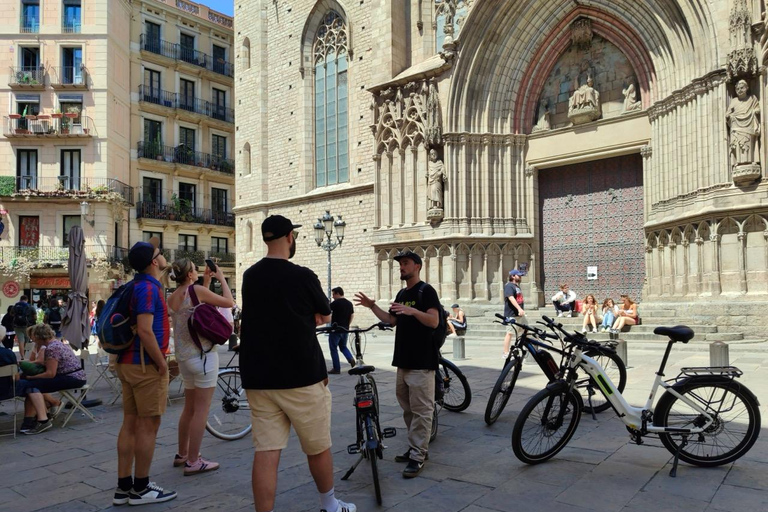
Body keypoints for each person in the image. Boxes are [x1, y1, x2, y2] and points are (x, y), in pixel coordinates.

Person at [239, 215, 356, 512]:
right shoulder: (303, 276)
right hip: (301, 374)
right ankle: (330, 505)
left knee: (266, 451)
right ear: (290, 237)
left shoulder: (250, 276)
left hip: (259, 375)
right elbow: (325, 315)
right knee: (317, 447)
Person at [355, 250, 440, 479]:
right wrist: (372, 305)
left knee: (422, 411)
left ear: (417, 266)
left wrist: (413, 311)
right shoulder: (402, 292)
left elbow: (434, 321)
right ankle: (417, 448)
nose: (401, 267)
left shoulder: (426, 291)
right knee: (409, 410)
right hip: (403, 361)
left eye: (405, 263)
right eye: (400, 264)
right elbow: (391, 320)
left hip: (422, 362)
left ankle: (418, 456)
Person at [113, 238, 177, 506]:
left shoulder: (134, 285)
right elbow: (144, 329)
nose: (163, 256)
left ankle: (123, 487)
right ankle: (141, 487)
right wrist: (161, 364)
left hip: (127, 362)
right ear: (154, 262)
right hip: (144, 365)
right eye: (160, 254)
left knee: (129, 423)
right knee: (148, 426)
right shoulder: (149, 289)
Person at [167, 257, 234, 475]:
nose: (197, 271)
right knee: (201, 411)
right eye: (195, 270)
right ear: (189, 275)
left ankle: (182, 453)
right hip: (203, 357)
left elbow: (196, 309)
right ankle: (194, 461)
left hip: (184, 358)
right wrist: (221, 277)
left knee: (189, 408)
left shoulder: (173, 297)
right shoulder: (195, 290)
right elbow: (229, 302)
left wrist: (205, 282)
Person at [16, 323, 86, 434]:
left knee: (31, 384)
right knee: (30, 384)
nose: (32, 339)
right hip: (73, 375)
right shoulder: (56, 343)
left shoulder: (52, 348)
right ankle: (33, 420)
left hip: (72, 378)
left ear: (39, 337)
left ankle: (42, 420)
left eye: (33, 337)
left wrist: (32, 376)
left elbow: (50, 374)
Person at [328, 286, 355, 374]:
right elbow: (351, 315)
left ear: (337, 293)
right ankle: (350, 358)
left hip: (335, 330)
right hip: (345, 329)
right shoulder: (349, 303)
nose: (333, 296)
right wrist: (347, 325)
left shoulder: (335, 303)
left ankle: (336, 368)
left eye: (333, 294)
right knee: (343, 346)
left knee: (333, 348)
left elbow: (326, 311)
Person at [502, 269, 525, 359]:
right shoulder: (509, 286)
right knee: (510, 333)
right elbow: (511, 298)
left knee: (525, 330)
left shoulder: (516, 286)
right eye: (518, 275)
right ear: (513, 276)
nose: (520, 277)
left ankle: (518, 348)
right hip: (511, 314)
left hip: (519, 315)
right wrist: (519, 308)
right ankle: (505, 352)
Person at [12, 295, 37, 359]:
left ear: (20, 299)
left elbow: (12, 314)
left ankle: (22, 356)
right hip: (27, 326)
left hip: (17, 326)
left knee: (21, 341)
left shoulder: (15, 306)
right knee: (28, 340)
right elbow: (35, 317)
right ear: (27, 300)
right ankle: (26, 355)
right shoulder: (30, 306)